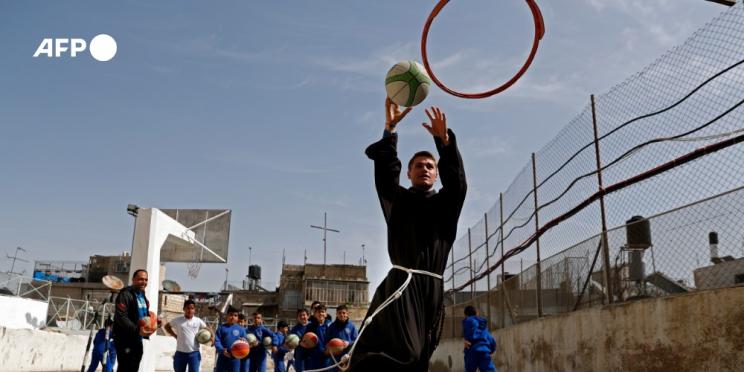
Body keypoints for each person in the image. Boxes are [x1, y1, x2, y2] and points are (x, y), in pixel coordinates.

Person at [349, 99, 467, 371]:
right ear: (409, 173)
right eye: (418, 166)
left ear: (437, 175)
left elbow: (458, 182)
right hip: (404, 284)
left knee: (421, 358)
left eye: (430, 166)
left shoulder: (446, 205)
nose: (424, 169)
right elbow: (385, 176)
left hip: (433, 289)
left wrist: (445, 143)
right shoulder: (399, 201)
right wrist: (389, 130)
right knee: (409, 354)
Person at [114, 269, 156, 372]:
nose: (144, 282)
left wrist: (154, 321)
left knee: (134, 368)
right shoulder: (125, 294)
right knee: (125, 368)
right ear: (133, 280)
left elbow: (143, 316)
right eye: (141, 279)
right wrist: (137, 330)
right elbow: (121, 317)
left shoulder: (142, 295)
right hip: (125, 339)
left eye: (146, 280)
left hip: (137, 339)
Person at [164, 299, 210, 372]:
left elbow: (208, 329)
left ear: (194, 310)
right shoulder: (178, 320)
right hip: (180, 353)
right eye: (188, 308)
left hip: (194, 354)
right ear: (184, 309)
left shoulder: (198, 321)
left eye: (192, 308)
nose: (190, 310)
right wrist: (174, 335)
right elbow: (166, 326)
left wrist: (212, 337)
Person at [462, 306, 496, 372]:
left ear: (466, 315)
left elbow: (468, 336)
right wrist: (489, 350)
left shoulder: (467, 321)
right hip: (484, 351)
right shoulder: (484, 327)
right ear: (476, 313)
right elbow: (492, 341)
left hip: (471, 351)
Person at [324, 304, 358, 371]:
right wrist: (331, 347)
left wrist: (348, 343)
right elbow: (326, 342)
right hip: (334, 360)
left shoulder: (352, 326)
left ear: (347, 314)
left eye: (344, 313)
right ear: (336, 314)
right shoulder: (331, 327)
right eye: (339, 313)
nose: (342, 315)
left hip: (347, 358)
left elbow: (356, 341)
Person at [214, 307, 247, 372]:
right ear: (227, 316)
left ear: (237, 318)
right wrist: (222, 350)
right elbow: (217, 341)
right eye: (231, 315)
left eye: (235, 315)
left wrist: (244, 341)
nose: (233, 317)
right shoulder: (221, 328)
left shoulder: (241, 329)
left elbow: (245, 341)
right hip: (223, 356)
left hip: (235, 358)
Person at [302, 303, 330, 370]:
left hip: (327, 359)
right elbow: (304, 341)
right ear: (315, 314)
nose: (320, 314)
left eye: (322, 312)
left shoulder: (330, 326)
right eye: (318, 312)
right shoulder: (310, 327)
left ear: (326, 314)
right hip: (313, 359)